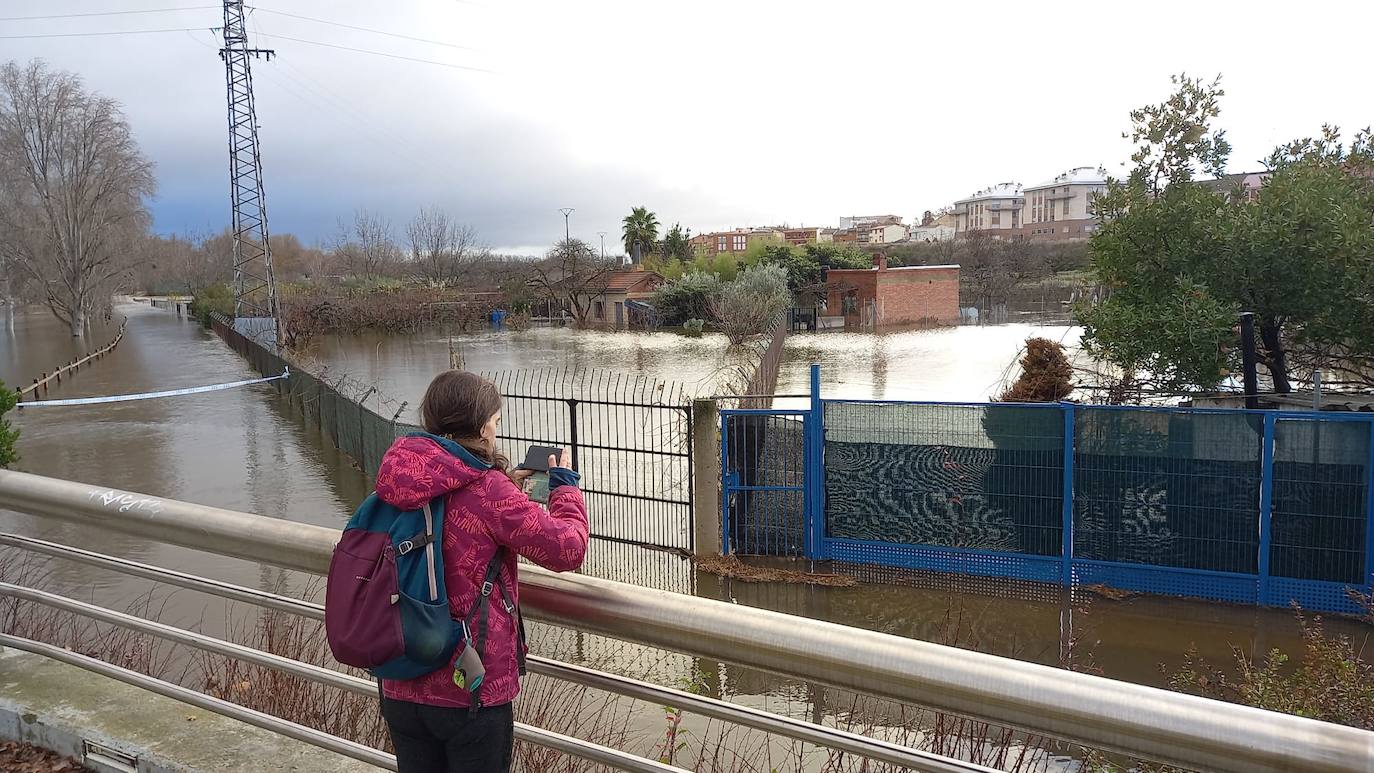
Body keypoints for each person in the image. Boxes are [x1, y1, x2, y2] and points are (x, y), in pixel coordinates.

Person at [373, 370, 588, 772]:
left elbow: (446, 508)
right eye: (496, 420)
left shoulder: (398, 476)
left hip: (400, 679)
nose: (496, 430)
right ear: (480, 424)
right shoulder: (490, 492)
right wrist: (565, 489)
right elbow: (568, 549)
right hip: (468, 688)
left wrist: (505, 488)